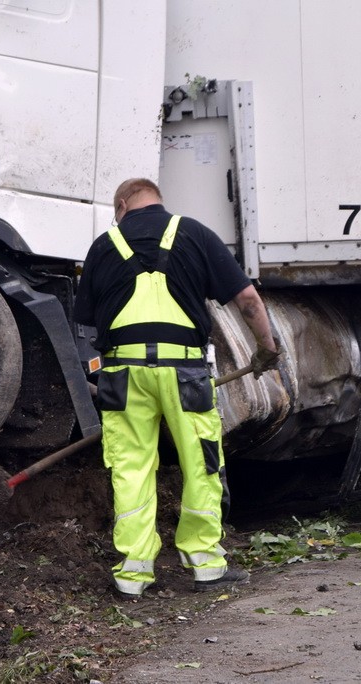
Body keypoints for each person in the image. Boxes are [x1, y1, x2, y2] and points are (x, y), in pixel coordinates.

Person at [73, 178, 280, 599]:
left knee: (131, 467)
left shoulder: (103, 245)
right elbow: (249, 301)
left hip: (123, 373)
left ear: (122, 205)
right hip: (185, 371)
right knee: (200, 463)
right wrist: (266, 349)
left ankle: (132, 573)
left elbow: (88, 319)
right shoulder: (197, 234)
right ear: (157, 201)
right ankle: (204, 564)